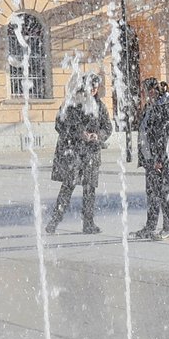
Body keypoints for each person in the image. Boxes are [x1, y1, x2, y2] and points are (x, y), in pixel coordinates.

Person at [45, 77, 108, 234]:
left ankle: (88, 223)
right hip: (74, 153)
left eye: (96, 86)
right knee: (67, 187)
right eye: (91, 86)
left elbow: (108, 126)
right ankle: (54, 221)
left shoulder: (100, 105)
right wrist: (79, 134)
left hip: (92, 153)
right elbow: (59, 124)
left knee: (89, 189)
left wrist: (98, 135)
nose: (94, 89)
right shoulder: (71, 103)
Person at [135, 77, 169, 240]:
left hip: (165, 159)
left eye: (148, 90)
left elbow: (166, 137)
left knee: (165, 193)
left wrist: (160, 159)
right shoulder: (151, 107)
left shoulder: (167, 108)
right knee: (152, 194)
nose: (146, 93)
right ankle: (150, 227)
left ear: (154, 90)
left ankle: (168, 228)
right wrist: (148, 159)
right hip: (152, 160)